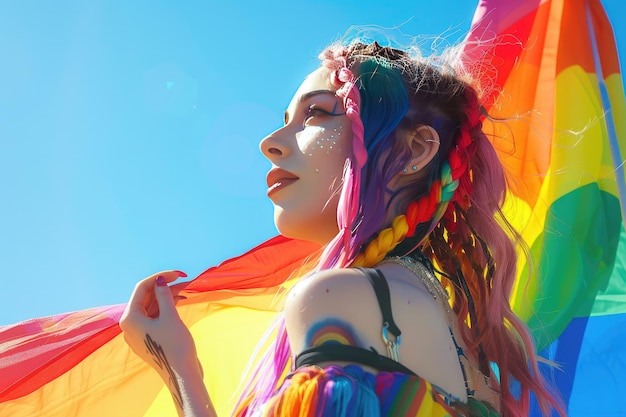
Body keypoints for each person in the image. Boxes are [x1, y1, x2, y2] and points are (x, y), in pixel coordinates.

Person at [120, 40, 564, 417]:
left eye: (316, 114)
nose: (269, 142)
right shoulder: (477, 362)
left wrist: (179, 373)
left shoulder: (340, 300)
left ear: (417, 149)